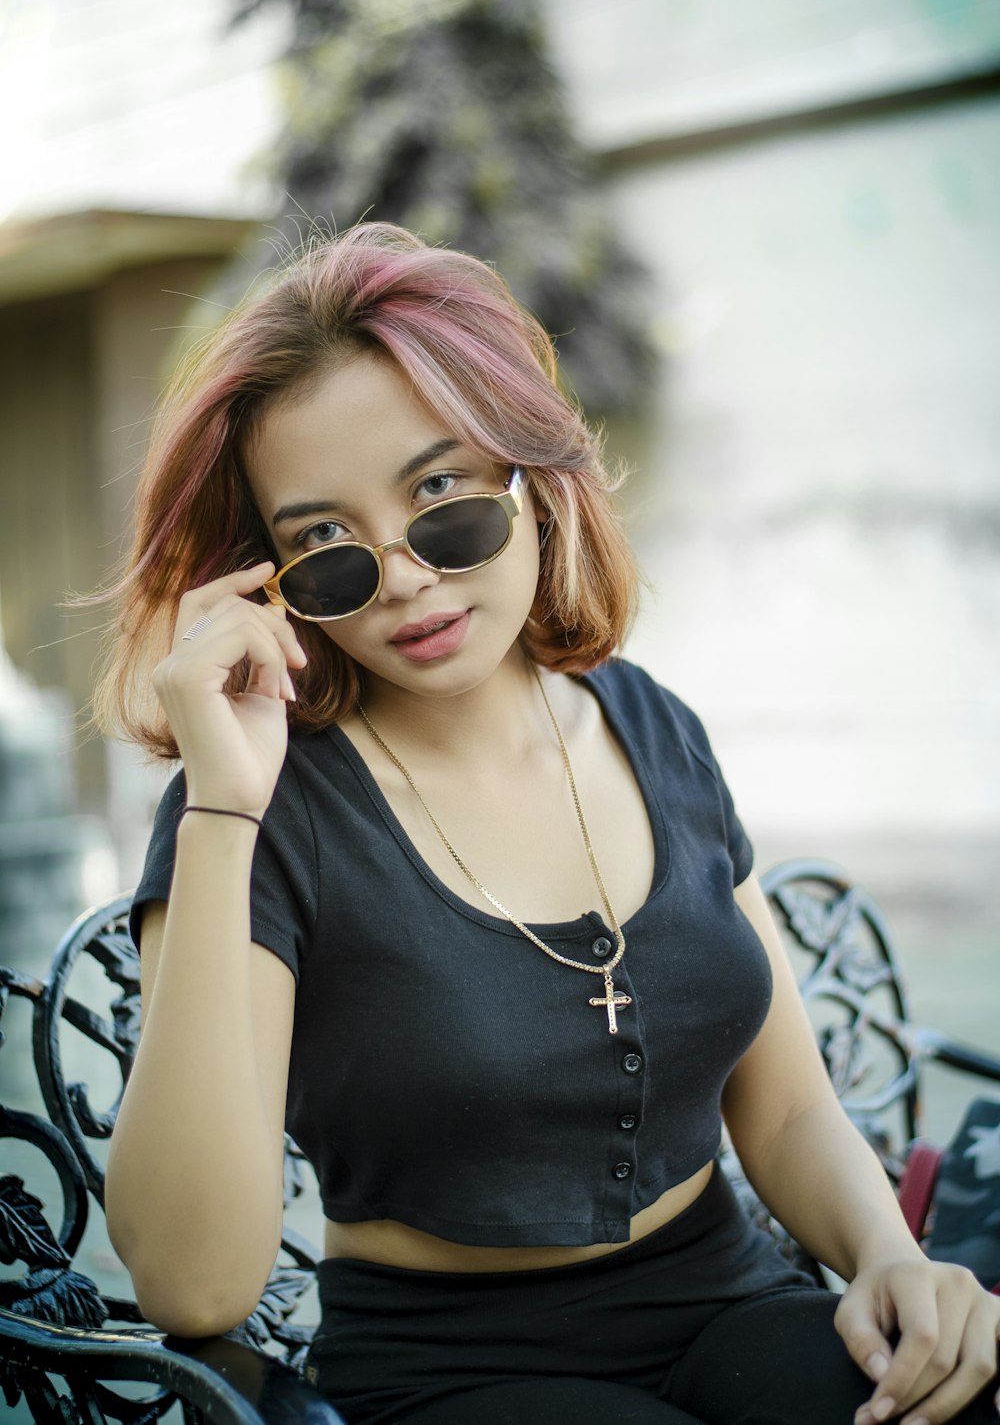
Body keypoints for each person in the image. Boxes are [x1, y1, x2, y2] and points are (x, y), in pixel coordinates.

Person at [100, 223, 1000, 1425]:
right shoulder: (258, 811)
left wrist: (889, 1255)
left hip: (729, 1298)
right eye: (325, 546)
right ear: (267, 583)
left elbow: (783, 1107)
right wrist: (221, 805)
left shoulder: (650, 726)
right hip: (453, 1371)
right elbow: (190, 1284)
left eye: (440, 499)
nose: (407, 577)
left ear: (531, 480)